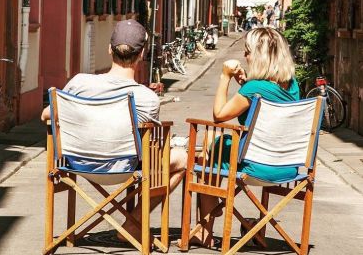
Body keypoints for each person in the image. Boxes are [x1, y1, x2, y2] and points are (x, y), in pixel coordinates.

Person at [41, 19, 187, 240]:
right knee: (183, 159)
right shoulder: (147, 98)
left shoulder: (80, 82)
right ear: (141, 54)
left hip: (75, 163)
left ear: (110, 49)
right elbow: (148, 142)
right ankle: (133, 223)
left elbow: (46, 116)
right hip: (123, 167)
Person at [191, 27, 300, 247]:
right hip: (287, 167)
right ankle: (233, 217)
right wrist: (245, 84)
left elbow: (219, 115)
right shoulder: (293, 85)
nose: (245, 56)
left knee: (210, 144)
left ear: (259, 56)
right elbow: (263, 96)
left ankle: (207, 225)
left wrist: (225, 77)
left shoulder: (254, 88)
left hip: (255, 167)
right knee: (217, 148)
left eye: (248, 51)